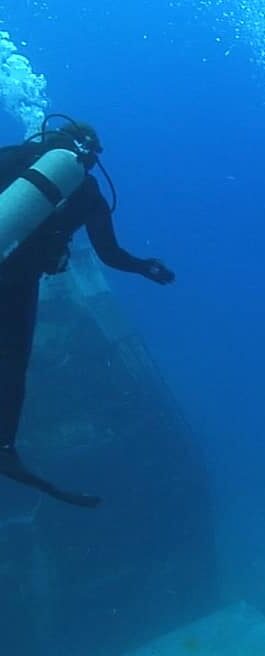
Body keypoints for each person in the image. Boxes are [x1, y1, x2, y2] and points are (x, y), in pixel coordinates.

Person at [0, 115, 175, 508]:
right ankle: (4, 444)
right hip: (18, 283)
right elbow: (110, 255)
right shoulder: (89, 190)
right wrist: (146, 266)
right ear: (91, 157)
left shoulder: (17, 156)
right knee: (11, 362)